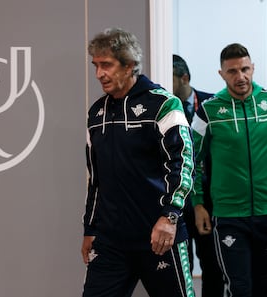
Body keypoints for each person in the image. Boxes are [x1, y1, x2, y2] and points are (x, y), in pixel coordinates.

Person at [81, 28, 195, 297]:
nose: (99, 74)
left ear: (129, 65)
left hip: (159, 238)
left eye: (106, 65)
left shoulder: (164, 105)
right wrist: (90, 227)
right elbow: (95, 179)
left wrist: (170, 217)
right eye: (96, 66)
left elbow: (183, 164)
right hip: (110, 242)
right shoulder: (97, 113)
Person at [191, 43, 267, 297]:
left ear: (253, 68)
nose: (240, 76)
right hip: (228, 216)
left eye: (244, 69)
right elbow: (192, 158)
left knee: (262, 287)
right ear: (221, 74)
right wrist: (198, 203)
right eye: (232, 71)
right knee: (240, 288)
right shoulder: (208, 111)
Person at [173, 54, 224, 297]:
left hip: (210, 200)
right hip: (178, 201)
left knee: (213, 264)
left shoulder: (212, 105)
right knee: (183, 268)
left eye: (171, 79)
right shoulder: (165, 108)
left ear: (185, 78)